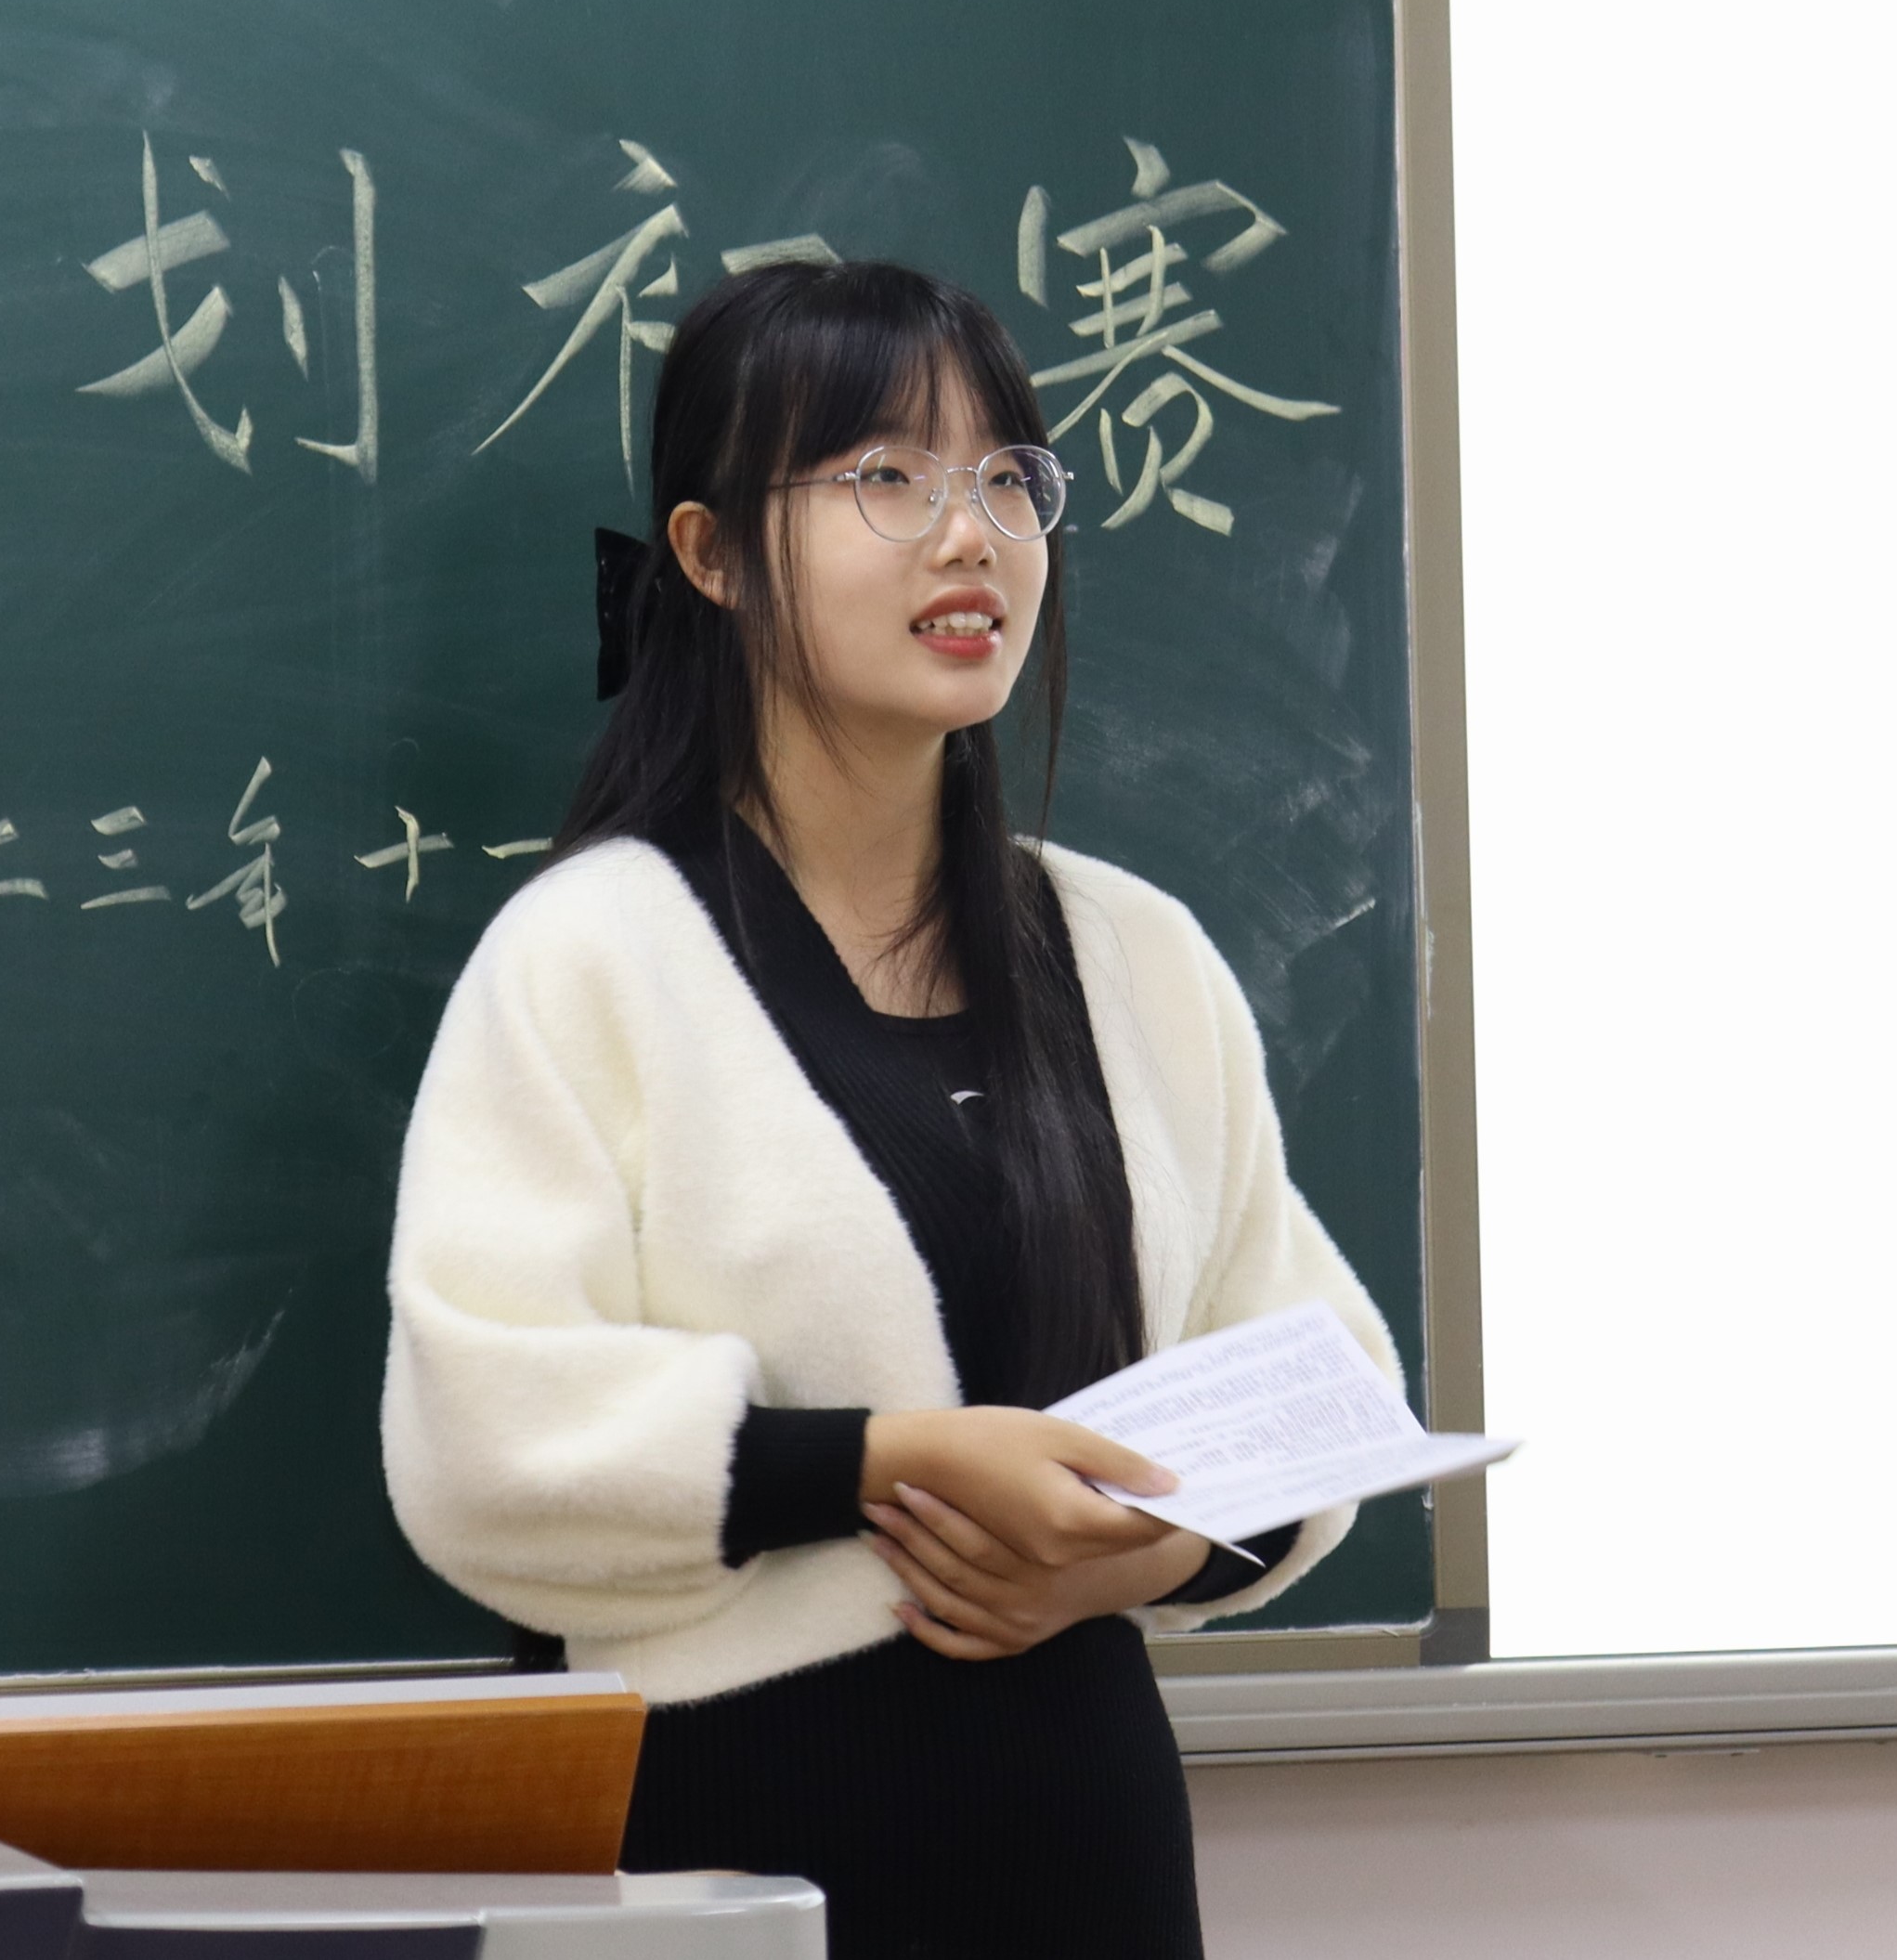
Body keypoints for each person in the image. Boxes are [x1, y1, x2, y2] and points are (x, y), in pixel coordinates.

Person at [382, 257, 1396, 1959]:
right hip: (732, 1845)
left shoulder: (1131, 952)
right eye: (885, 476)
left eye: (1006, 477)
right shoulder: (591, 954)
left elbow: (1319, 1390)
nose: (968, 535)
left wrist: (1145, 1561)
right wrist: (898, 1462)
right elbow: (486, 1447)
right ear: (709, 554)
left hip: (1087, 1843)